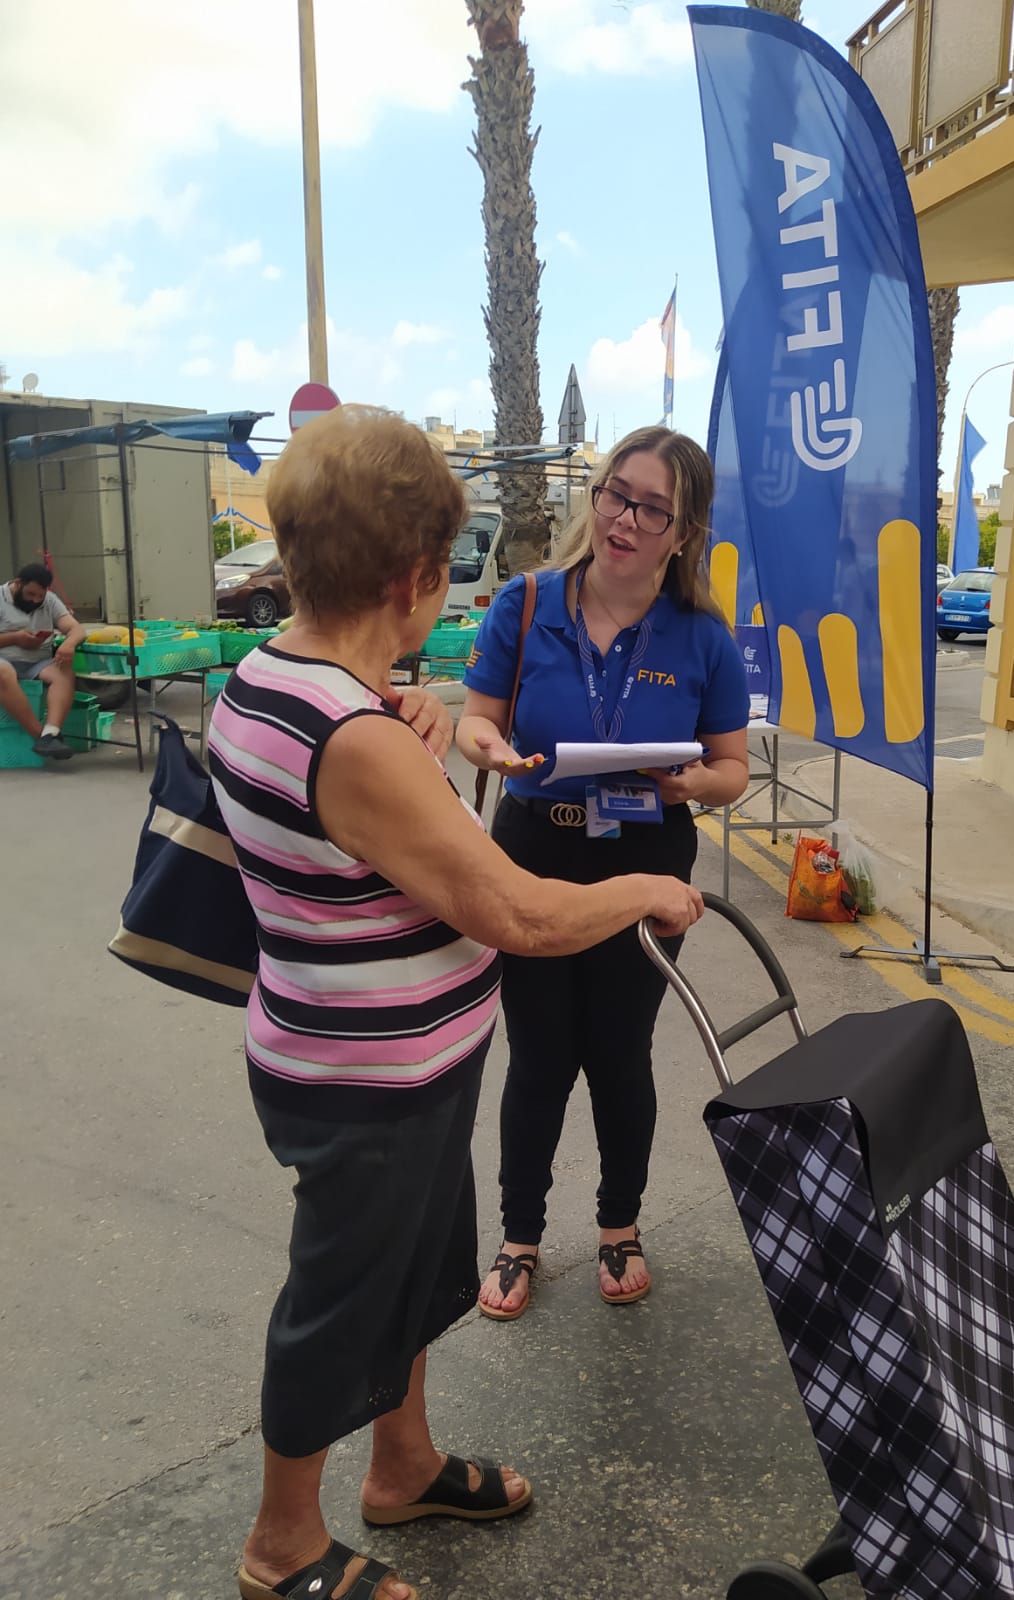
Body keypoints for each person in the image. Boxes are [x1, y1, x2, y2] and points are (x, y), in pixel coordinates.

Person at [208, 406, 703, 1600]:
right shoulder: (347, 727)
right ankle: (282, 1543)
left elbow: (359, 786)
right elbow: (518, 913)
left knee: (422, 1269)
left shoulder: (282, 675)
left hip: (399, 1058)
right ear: (418, 576)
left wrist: (409, 705)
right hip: (362, 1077)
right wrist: (646, 884)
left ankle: (403, 1464)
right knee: (337, 1299)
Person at [458, 425, 750, 1320]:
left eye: (651, 507)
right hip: (534, 849)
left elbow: (733, 769)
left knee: (620, 1053)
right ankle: (519, 1237)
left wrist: (691, 780)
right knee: (540, 1052)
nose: (623, 518)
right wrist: (497, 750)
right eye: (615, 493)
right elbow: (474, 721)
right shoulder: (529, 599)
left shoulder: (702, 634)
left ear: (683, 528)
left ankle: (619, 1225)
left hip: (647, 855)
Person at [0, 561, 88, 760]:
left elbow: (76, 629)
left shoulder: (49, 600)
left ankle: (51, 732)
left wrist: (69, 644)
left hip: (37, 660)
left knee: (65, 670)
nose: (35, 600)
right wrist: (15, 638)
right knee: (3, 673)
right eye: (30, 594)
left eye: (40, 596)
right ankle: (40, 735)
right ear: (17, 584)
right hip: (4, 659)